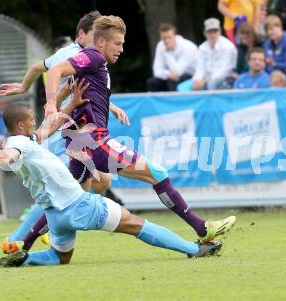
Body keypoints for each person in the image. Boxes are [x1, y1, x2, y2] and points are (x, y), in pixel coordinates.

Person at [30, 15, 236, 253]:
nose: (121, 49)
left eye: (123, 43)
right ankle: (202, 229)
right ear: (100, 43)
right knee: (156, 173)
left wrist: (103, 106)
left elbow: (72, 89)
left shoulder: (91, 66)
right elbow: (54, 70)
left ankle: (22, 243)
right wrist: (51, 104)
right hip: (94, 143)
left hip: (79, 146)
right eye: (117, 43)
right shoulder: (93, 57)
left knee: (66, 199)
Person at [0, 103, 223, 268]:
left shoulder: (26, 140)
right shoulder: (18, 144)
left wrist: (70, 105)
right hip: (79, 205)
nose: (35, 123)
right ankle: (195, 250)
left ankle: (23, 259)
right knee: (135, 224)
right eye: (31, 121)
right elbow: (9, 154)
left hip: (55, 215)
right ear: (20, 125)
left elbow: (43, 131)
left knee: (60, 257)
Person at [0, 11, 126, 250]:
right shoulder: (75, 54)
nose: (99, 39)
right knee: (63, 188)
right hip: (66, 131)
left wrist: (24, 86)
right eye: (94, 34)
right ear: (83, 34)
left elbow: (38, 68)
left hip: (70, 129)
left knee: (98, 181)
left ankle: (47, 229)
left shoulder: (86, 56)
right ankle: (21, 236)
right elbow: (65, 84)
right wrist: (52, 104)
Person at [146, 23, 197, 92]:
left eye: (169, 37)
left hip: (192, 77)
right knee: (152, 82)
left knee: (172, 81)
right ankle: (159, 102)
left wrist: (168, 52)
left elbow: (177, 71)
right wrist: (167, 74)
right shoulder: (160, 45)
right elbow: (156, 71)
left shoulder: (188, 47)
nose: (167, 41)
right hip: (172, 76)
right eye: (164, 38)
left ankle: (174, 102)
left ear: (175, 36)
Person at [189, 18, 237, 90]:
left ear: (220, 32)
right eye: (209, 32)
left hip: (225, 76)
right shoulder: (202, 47)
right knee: (194, 85)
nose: (212, 34)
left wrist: (208, 79)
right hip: (206, 77)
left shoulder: (228, 46)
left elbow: (226, 70)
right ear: (205, 33)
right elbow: (200, 68)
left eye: (215, 31)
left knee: (211, 84)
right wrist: (197, 79)